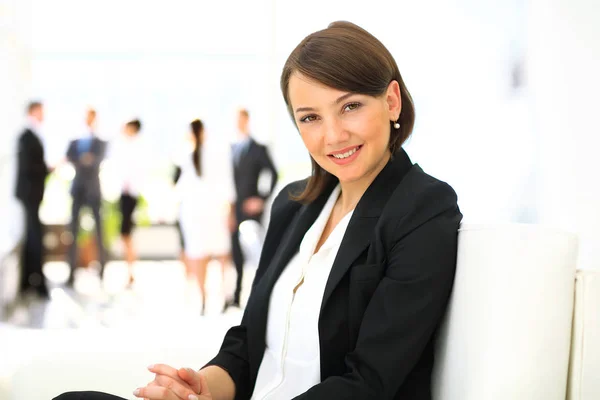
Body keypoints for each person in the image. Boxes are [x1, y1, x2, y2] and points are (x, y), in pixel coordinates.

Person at [54, 21, 462, 400]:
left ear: (391, 101)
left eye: (350, 106)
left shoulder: (423, 208)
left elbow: (369, 383)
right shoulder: (292, 205)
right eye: (310, 118)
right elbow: (248, 344)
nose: (333, 135)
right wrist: (203, 388)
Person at [175, 119, 235, 315]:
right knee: (219, 255)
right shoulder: (201, 154)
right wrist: (230, 210)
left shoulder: (189, 154)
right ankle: (222, 295)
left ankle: (205, 298)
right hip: (207, 212)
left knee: (201, 256)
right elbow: (228, 184)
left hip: (198, 212)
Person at [224, 108, 278, 311]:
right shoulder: (229, 149)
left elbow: (273, 173)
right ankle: (236, 296)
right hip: (233, 208)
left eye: (241, 120)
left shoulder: (258, 148)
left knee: (255, 251)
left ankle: (258, 294)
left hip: (251, 209)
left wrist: (261, 199)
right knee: (234, 253)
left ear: (247, 121)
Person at [65, 108, 108, 286]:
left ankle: (102, 268)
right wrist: (84, 159)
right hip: (78, 189)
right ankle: (71, 271)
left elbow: (98, 159)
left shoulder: (100, 141)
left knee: (99, 230)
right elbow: (69, 157)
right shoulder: (75, 140)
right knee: (72, 231)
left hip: (93, 190)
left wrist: (87, 159)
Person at [15, 101, 50, 299]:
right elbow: (30, 166)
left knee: (33, 235)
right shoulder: (26, 136)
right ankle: (35, 281)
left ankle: (31, 279)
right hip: (29, 195)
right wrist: (47, 168)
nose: (43, 115)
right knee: (34, 236)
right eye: (41, 111)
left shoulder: (32, 135)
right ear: (32, 112)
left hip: (32, 195)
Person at [110, 119, 146, 286]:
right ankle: (130, 270)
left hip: (129, 194)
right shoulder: (127, 146)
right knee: (126, 234)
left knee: (127, 234)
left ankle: (131, 271)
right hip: (126, 194)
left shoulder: (135, 148)